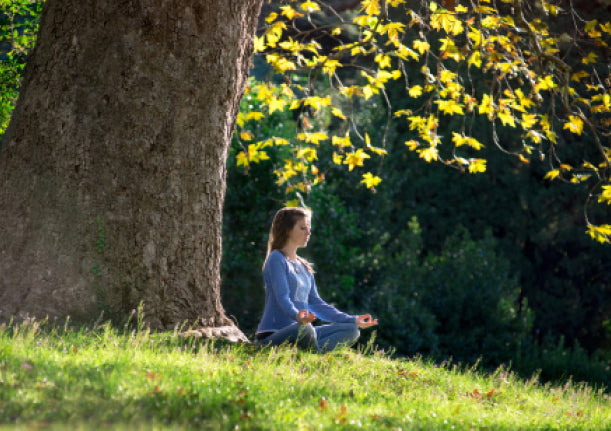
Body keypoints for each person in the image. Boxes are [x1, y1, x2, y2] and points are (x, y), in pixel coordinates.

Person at [254, 207, 378, 352]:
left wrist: (352, 319)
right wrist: (296, 315)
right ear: (287, 230)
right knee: (306, 329)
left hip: (303, 332)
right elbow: (282, 297)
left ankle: (311, 352)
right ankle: (315, 354)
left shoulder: (305, 266)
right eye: (302, 228)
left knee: (352, 330)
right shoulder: (276, 258)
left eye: (309, 228)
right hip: (273, 335)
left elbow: (317, 304)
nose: (308, 233)